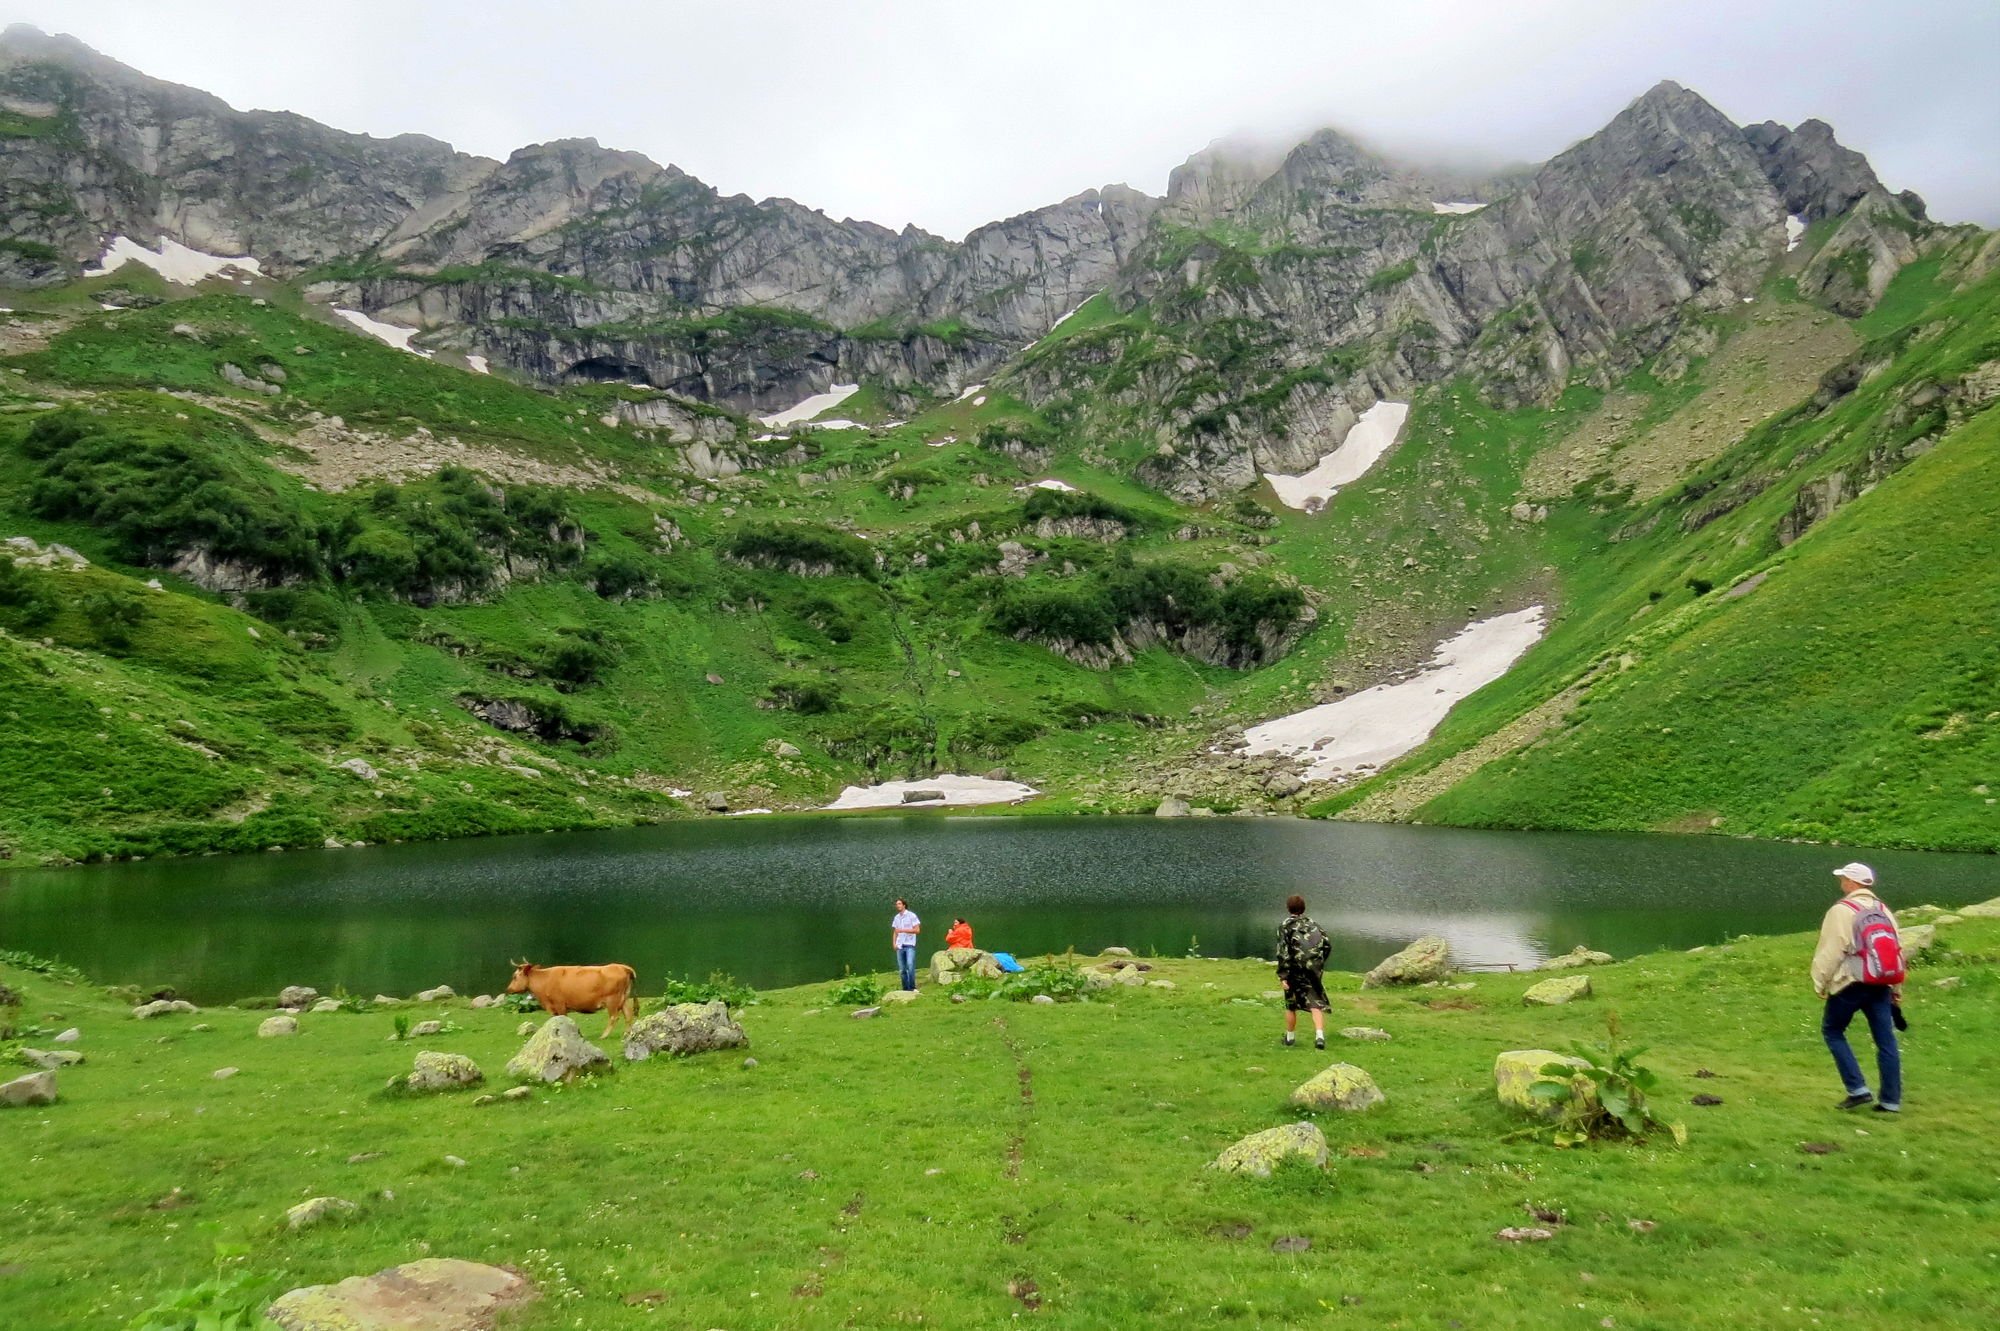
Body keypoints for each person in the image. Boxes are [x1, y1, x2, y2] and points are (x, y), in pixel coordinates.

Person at [1811, 862, 1903, 1113]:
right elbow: (1895, 950)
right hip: (1881, 982)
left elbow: (1831, 949)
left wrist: (1820, 981)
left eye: (1843, 878)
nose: (1841, 882)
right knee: (1886, 1040)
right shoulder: (1883, 909)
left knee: (1833, 1030)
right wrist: (1896, 988)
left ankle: (1857, 1089)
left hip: (1850, 983)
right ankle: (1891, 1101)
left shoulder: (1841, 910)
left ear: (1852, 883)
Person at [1275, 894, 1332, 1049]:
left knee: (1291, 1004)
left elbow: (1283, 952)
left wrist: (1283, 976)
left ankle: (1290, 1037)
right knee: (1315, 1001)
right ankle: (1319, 1036)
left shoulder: (1285, 926)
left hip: (1294, 970)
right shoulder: (1313, 924)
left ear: (1288, 908)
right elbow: (1326, 945)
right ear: (1303, 908)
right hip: (1313, 968)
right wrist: (1318, 964)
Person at [891, 898, 922, 991]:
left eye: (899, 904)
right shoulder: (896, 917)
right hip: (900, 945)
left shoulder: (911, 916)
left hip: (909, 944)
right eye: (897, 904)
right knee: (902, 969)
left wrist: (903, 930)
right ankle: (905, 988)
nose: (898, 905)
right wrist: (894, 943)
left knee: (910, 964)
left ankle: (912, 987)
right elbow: (895, 931)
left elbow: (917, 930)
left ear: (904, 905)